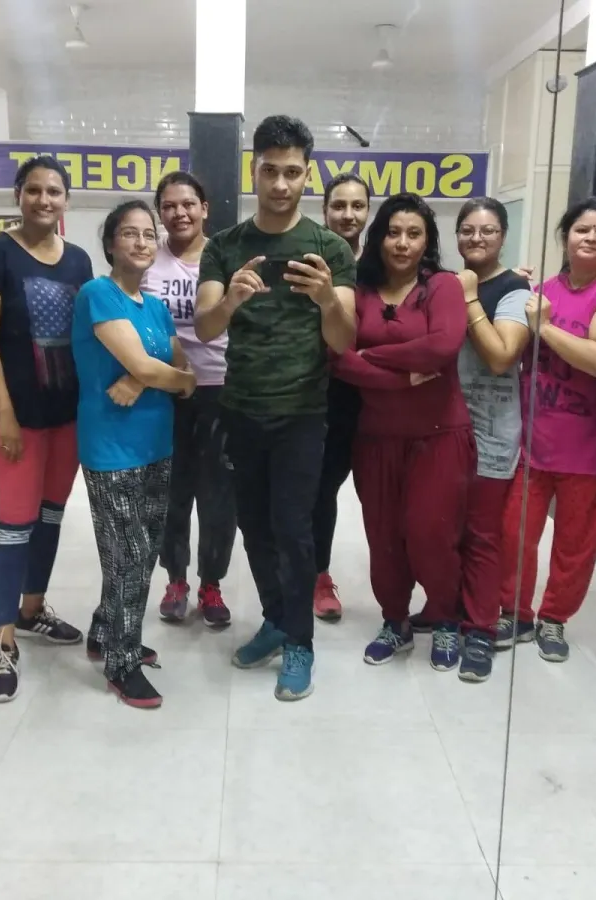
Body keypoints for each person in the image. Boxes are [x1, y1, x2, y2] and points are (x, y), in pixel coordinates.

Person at [195, 115, 357, 702]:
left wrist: (327, 300)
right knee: (254, 527)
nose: (281, 183)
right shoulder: (224, 246)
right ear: (254, 170)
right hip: (241, 408)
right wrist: (231, 301)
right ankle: (275, 619)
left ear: (307, 174)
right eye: (270, 171)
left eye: (292, 172)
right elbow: (206, 327)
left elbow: (344, 340)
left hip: (301, 413)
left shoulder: (330, 248)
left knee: (293, 530)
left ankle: (300, 643)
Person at [0, 155, 94, 703]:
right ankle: (3, 641)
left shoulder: (80, 260)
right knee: (14, 524)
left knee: (49, 517)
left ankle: (32, 607)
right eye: (34, 190)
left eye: (55, 191)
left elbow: (89, 336)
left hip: (67, 416)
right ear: (18, 196)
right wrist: (3, 415)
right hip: (17, 419)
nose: (45, 199)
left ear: (67, 200)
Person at [331, 193, 473, 671]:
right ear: (378, 237)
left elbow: (443, 346)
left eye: (414, 234)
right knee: (384, 537)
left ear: (428, 241)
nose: (403, 243)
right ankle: (395, 621)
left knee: (431, 533)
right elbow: (338, 358)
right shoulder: (360, 289)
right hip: (376, 437)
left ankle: (446, 617)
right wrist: (401, 375)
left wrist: (372, 356)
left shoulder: (443, 286)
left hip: (439, 435)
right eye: (393, 232)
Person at [496, 197, 596, 663]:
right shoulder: (542, 290)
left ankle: (554, 618)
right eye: (582, 229)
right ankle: (514, 613)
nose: (591, 238)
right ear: (565, 236)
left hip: (587, 448)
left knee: (575, 544)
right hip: (531, 444)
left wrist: (545, 327)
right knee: (515, 535)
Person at [73, 200, 196, 709]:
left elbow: (178, 368)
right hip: (111, 448)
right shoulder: (97, 294)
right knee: (127, 556)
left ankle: (105, 631)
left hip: (156, 443)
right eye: (130, 233)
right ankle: (121, 663)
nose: (142, 242)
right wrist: (156, 376)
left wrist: (150, 377)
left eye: (149, 234)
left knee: (143, 552)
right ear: (110, 244)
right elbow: (158, 369)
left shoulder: (156, 306)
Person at [144, 172, 235, 628]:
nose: (179, 213)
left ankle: (211, 583)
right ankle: (176, 578)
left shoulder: (225, 257)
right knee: (171, 490)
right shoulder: (148, 260)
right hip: (164, 389)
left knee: (219, 496)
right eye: (169, 205)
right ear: (160, 213)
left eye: (188, 204)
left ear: (204, 209)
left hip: (219, 388)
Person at [449, 197, 533, 683]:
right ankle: (452, 611)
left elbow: (502, 356)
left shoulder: (514, 289)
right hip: (446, 428)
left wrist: (467, 298)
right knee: (447, 529)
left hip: (491, 430)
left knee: (482, 534)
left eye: (487, 231)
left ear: (503, 236)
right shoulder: (448, 282)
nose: (476, 238)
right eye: (468, 230)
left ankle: (481, 627)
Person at [311, 172, 371, 622]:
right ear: (325, 210)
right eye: (339, 205)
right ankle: (318, 576)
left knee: (382, 496)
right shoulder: (309, 260)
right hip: (322, 394)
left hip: (378, 395)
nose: (348, 215)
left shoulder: (383, 264)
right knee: (321, 489)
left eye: (357, 206)